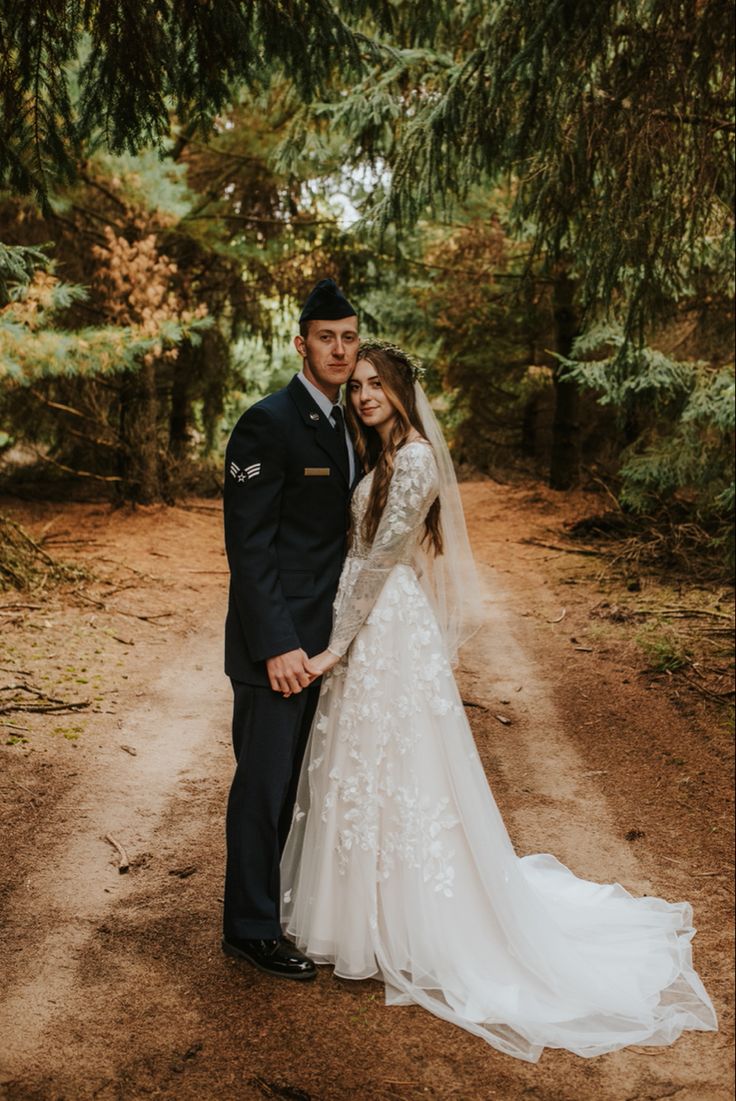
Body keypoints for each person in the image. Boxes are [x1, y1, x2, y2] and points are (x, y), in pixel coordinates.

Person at [280, 341, 718, 1060]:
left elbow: (378, 561)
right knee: (359, 768)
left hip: (383, 627)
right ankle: (354, 916)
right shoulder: (375, 454)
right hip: (368, 622)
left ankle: (411, 922)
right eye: (355, 385)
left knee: (402, 768)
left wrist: (333, 645)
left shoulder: (415, 458)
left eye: (375, 385)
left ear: (399, 391)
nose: (362, 396)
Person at [221, 278, 359, 979]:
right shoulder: (265, 423)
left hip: (332, 644)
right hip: (278, 647)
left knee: (309, 787)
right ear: (300, 342)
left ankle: (286, 907)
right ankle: (249, 927)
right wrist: (277, 643)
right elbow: (249, 547)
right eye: (326, 336)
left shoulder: (352, 422)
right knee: (264, 784)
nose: (339, 348)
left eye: (349, 336)